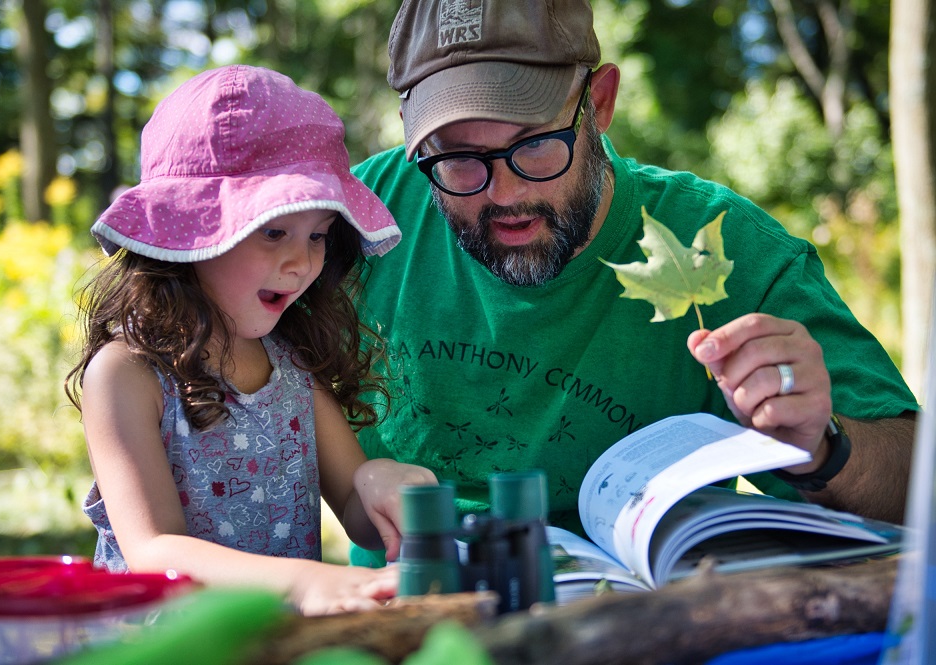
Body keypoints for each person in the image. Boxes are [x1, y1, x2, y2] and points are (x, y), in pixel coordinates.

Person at [348, 0, 918, 565]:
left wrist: (823, 446)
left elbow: (914, 485)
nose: (503, 194)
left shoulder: (725, 245)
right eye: (459, 157)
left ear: (599, 103)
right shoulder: (356, 220)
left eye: (534, 144)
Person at [64, 65, 436, 615]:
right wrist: (303, 582)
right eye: (273, 231)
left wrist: (380, 481)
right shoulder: (126, 375)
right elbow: (153, 550)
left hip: (271, 644)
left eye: (318, 235)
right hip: (164, 645)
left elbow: (357, 512)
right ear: (187, 232)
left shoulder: (289, 365)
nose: (303, 261)